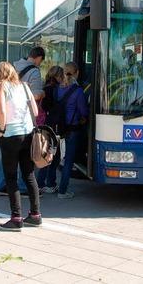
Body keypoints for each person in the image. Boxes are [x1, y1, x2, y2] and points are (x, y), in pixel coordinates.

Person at [0, 62, 41, 231]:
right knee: (29, 175)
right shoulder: (25, 86)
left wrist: (2, 129)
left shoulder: (1, 86)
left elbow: (1, 112)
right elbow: (35, 112)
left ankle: (16, 218)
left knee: (11, 177)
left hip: (11, 135)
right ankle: (35, 215)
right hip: (28, 134)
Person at [55, 66, 88, 199]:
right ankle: (63, 190)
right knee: (69, 160)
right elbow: (83, 111)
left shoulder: (59, 89)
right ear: (77, 73)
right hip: (73, 127)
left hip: (61, 127)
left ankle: (52, 185)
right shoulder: (78, 90)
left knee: (59, 156)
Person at [36, 66, 65, 194]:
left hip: (43, 124)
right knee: (54, 155)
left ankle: (41, 182)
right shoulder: (55, 90)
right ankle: (49, 183)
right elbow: (52, 108)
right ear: (58, 76)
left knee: (45, 153)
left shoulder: (44, 88)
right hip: (53, 125)